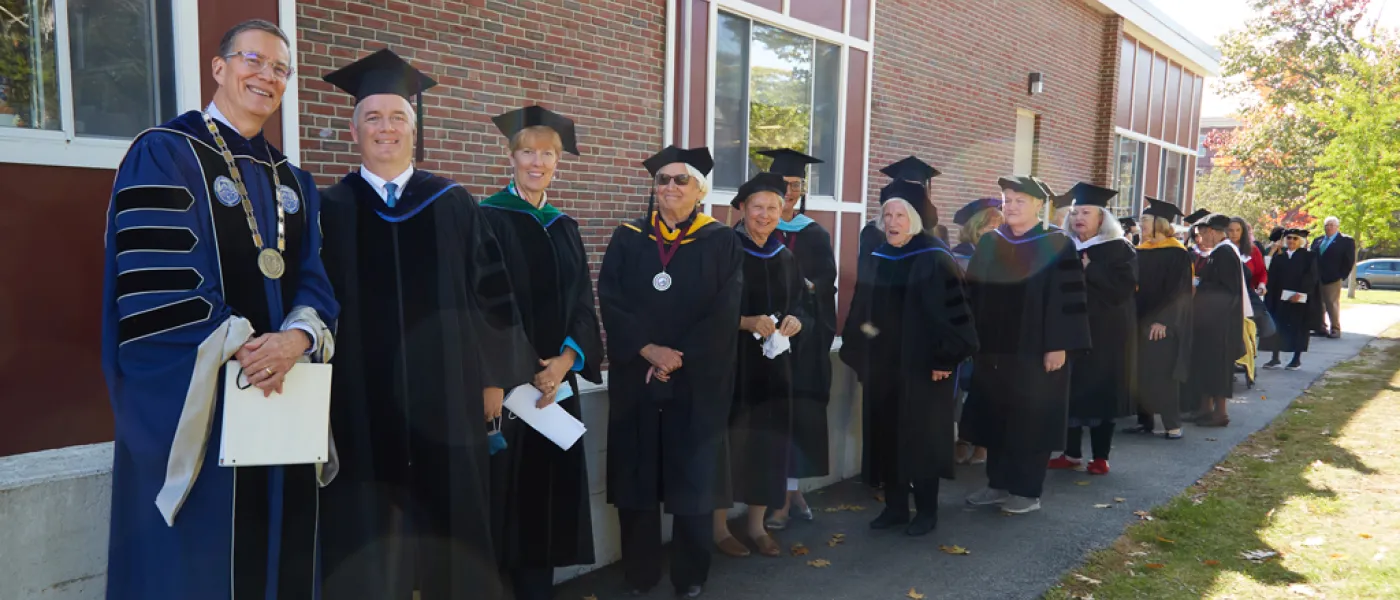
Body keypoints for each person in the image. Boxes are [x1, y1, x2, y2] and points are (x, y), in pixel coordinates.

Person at [102, 19, 338, 600]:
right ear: (220, 67)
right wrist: (245, 347)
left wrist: (298, 340)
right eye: (253, 61)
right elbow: (158, 285)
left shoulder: (295, 181)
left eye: (280, 69)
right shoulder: (166, 152)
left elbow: (313, 278)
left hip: (281, 405)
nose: (267, 77)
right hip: (208, 401)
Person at [317, 49, 536, 600]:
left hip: (449, 396)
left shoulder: (452, 202)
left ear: (414, 129)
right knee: (368, 526)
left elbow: (491, 293)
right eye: (372, 118)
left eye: (396, 117)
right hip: (360, 403)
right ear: (353, 129)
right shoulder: (330, 208)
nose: (384, 128)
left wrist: (493, 378)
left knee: (453, 521)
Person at [597, 146, 742, 599]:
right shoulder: (628, 237)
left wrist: (677, 356)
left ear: (699, 190)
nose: (670, 187)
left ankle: (690, 574)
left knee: (693, 479)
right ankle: (640, 574)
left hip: (697, 382)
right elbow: (611, 298)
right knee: (638, 477)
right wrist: (648, 349)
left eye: (681, 180)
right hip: (636, 377)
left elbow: (725, 311)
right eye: (663, 180)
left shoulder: (721, 241)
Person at [479, 105, 604, 600]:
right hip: (507, 390)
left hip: (556, 388)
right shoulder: (486, 217)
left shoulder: (565, 226)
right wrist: (511, 372)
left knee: (546, 499)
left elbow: (582, 303)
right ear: (511, 156)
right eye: (527, 152)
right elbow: (483, 303)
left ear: (558, 161)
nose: (537, 162)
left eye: (547, 154)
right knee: (502, 495)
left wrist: (565, 363)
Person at [840, 180, 978, 536]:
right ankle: (895, 508)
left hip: (923, 368)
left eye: (900, 214)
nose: (892, 221)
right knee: (886, 436)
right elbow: (861, 311)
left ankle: (927, 512)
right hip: (884, 369)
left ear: (914, 219)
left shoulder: (934, 257)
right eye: (887, 214)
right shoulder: (877, 256)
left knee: (921, 440)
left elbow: (956, 316)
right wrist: (859, 350)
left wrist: (945, 360)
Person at [962, 176, 1092, 515]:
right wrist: (968, 336)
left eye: (1020, 199)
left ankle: (1027, 490)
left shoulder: (1058, 244)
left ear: (1039, 205)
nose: (1012, 205)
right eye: (1007, 199)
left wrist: (1059, 345)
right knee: (996, 415)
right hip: (994, 348)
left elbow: (1068, 300)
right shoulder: (991, 242)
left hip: (1037, 349)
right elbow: (971, 293)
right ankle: (998, 484)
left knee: (1031, 419)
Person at [713, 172, 807, 557]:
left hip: (772, 368)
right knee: (728, 443)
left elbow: (800, 303)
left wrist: (797, 320)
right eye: (758, 208)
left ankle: (756, 525)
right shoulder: (722, 248)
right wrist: (744, 322)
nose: (766, 215)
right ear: (741, 209)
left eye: (773, 207)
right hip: (731, 365)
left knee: (768, 444)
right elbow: (705, 306)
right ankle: (718, 529)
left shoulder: (784, 255)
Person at [753, 149, 836, 531]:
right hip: (756, 340)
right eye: (784, 184)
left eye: (796, 185)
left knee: (794, 420)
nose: (790, 192)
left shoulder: (814, 234)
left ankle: (785, 500)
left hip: (798, 343)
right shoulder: (753, 228)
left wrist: (801, 298)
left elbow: (824, 288)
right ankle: (789, 492)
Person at [1048, 184, 1137, 476]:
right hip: (1071, 331)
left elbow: (1123, 290)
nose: (1078, 218)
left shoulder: (1119, 248)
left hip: (1106, 335)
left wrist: (1091, 271)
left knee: (1101, 393)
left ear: (1102, 218)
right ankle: (1071, 453)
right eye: (1074, 213)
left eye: (1086, 212)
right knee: (1070, 392)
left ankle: (1100, 456)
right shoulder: (1064, 246)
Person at [1124, 199, 1194, 440]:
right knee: (1140, 371)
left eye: (1144, 221)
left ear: (1159, 223)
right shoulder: (1139, 250)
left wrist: (1164, 321)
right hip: (1138, 319)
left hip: (1163, 323)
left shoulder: (1177, 253)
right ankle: (1145, 421)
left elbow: (1180, 291)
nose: (1139, 225)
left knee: (1163, 372)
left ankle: (1172, 423)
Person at [950, 197, 1003, 466]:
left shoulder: (1004, 256)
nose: (991, 234)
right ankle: (963, 438)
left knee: (987, 387)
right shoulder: (958, 255)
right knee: (964, 387)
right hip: (966, 326)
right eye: (987, 228)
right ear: (974, 228)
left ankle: (983, 443)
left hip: (993, 329)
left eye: (997, 228)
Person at [1187, 215, 1245, 428]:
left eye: (1202, 234)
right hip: (1211, 321)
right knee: (1206, 365)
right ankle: (1205, 408)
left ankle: (1220, 413)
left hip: (1219, 323)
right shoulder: (1220, 253)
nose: (1201, 239)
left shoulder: (1225, 253)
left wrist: (1200, 288)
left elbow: (1228, 291)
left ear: (1212, 231)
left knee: (1217, 367)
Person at [859, 156, 941, 264]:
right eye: (905, 187)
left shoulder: (936, 232)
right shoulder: (873, 232)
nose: (910, 193)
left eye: (917, 189)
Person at [1262, 229, 1321, 371]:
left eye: (1295, 239)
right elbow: (1271, 275)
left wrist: (1300, 293)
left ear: (1300, 241)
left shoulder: (1309, 257)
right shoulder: (1279, 257)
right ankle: (1275, 358)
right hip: (1280, 298)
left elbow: (1311, 277)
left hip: (1299, 300)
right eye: (1289, 238)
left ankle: (1296, 359)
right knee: (1278, 327)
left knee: (1298, 328)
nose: (1291, 241)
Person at [1310, 216, 1355, 338]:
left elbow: (1349, 260)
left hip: (1333, 278)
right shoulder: (1318, 240)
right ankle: (1320, 327)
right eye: (1326, 225)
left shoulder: (1346, 241)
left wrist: (1341, 275)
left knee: (1331, 303)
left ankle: (1335, 328)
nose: (1329, 227)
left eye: (1331, 225)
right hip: (1316, 277)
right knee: (1318, 303)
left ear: (1337, 227)